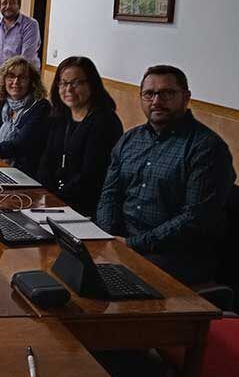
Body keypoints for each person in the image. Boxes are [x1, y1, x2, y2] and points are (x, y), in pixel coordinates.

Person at [96, 65, 235, 285]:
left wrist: (132, 245)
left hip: (175, 256)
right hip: (123, 242)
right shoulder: (130, 140)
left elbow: (195, 219)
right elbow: (109, 194)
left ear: (186, 97)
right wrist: (106, 236)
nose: (156, 101)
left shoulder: (207, 148)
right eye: (149, 94)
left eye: (167, 93)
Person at [36, 56, 123, 218]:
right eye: (63, 83)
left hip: (86, 208)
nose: (68, 89)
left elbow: (91, 176)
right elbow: (46, 160)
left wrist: (55, 200)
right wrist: (44, 194)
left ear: (92, 84)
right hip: (54, 202)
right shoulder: (60, 116)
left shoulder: (105, 122)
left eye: (76, 83)